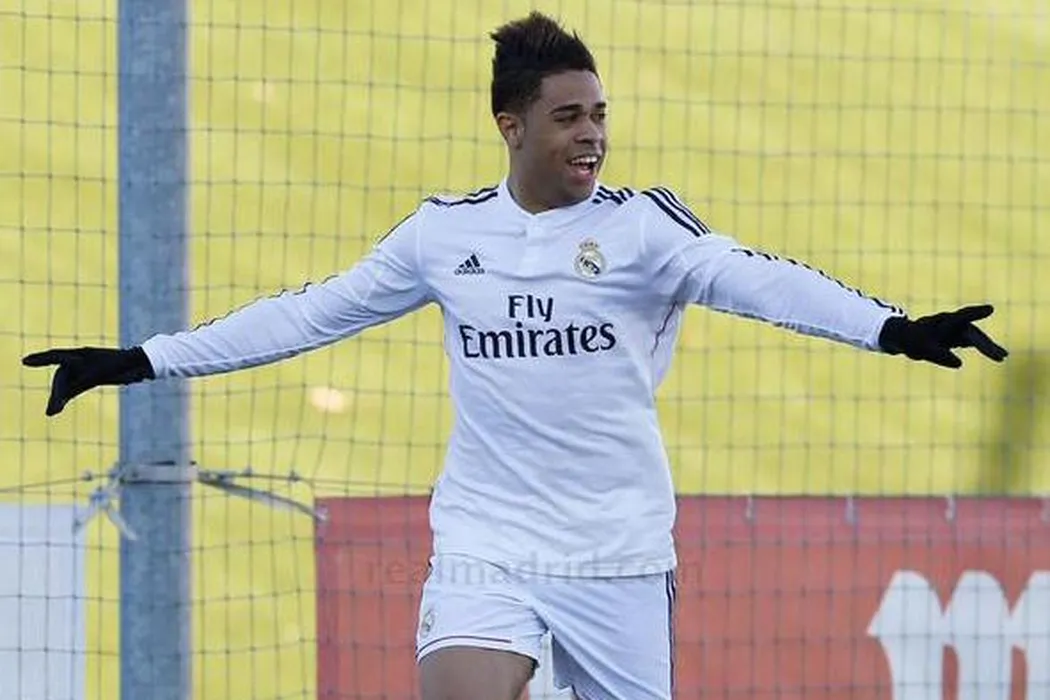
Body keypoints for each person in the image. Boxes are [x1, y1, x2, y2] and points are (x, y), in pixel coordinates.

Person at [23, 11, 1007, 700]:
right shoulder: (443, 235)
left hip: (617, 555)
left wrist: (892, 328)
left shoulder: (644, 231)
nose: (593, 137)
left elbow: (758, 279)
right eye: (570, 117)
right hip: (486, 546)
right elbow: (312, 313)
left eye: (600, 115)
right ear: (512, 124)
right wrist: (142, 358)